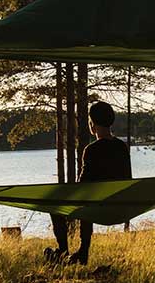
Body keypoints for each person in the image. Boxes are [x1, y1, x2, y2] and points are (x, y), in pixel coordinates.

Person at [46, 101, 132, 265]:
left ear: (92, 124)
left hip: (95, 208)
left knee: (55, 206)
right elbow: (127, 178)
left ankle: (64, 251)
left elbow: (83, 186)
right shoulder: (122, 147)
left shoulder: (91, 150)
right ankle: (82, 251)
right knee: (90, 200)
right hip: (121, 207)